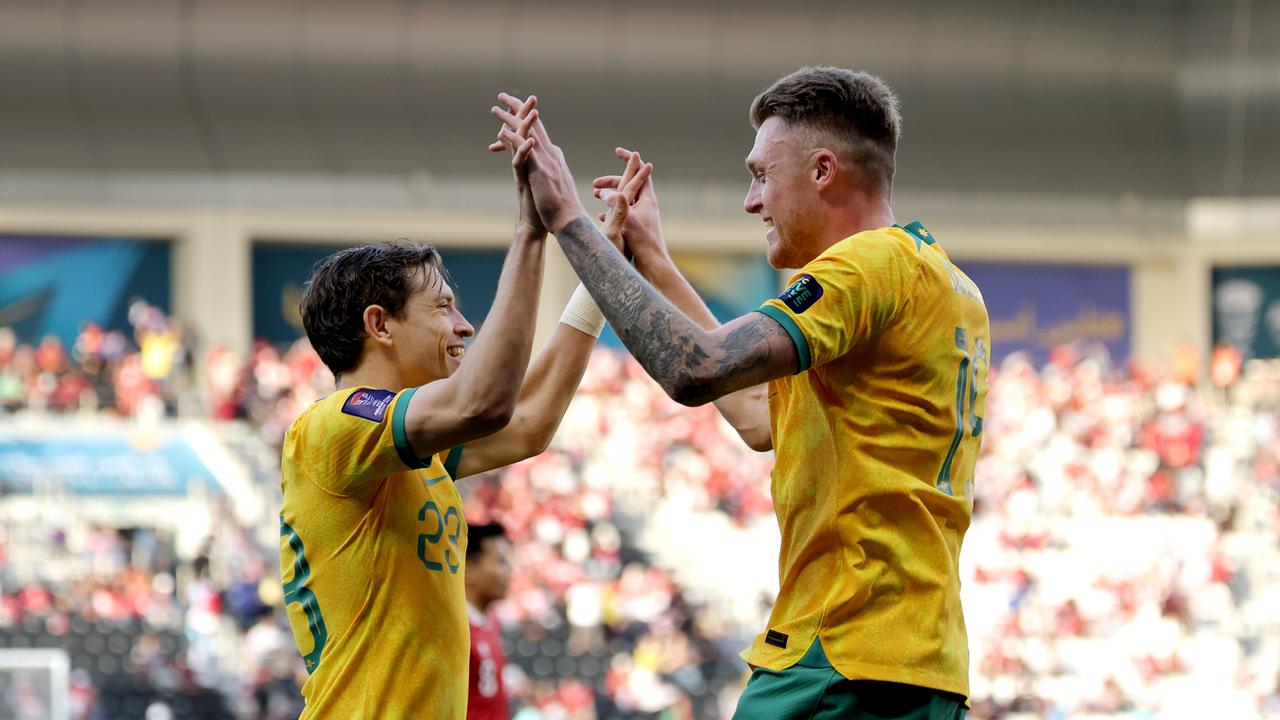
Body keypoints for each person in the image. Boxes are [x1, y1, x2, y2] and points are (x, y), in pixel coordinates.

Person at [491, 66, 989, 719]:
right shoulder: (948, 287)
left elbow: (696, 369)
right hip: (918, 664)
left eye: (760, 175)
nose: (751, 202)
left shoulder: (867, 266)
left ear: (822, 171)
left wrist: (566, 219)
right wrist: (656, 261)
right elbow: (758, 418)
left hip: (837, 658)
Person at [279, 103, 650, 719]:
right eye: (443, 307)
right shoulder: (332, 425)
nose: (464, 325)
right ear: (380, 325)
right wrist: (532, 232)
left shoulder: (411, 454)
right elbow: (487, 402)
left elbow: (527, 422)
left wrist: (600, 271)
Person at [464, 522, 512, 720]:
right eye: (501, 562)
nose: (509, 570)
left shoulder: (490, 619)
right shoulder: (453, 632)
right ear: (468, 570)